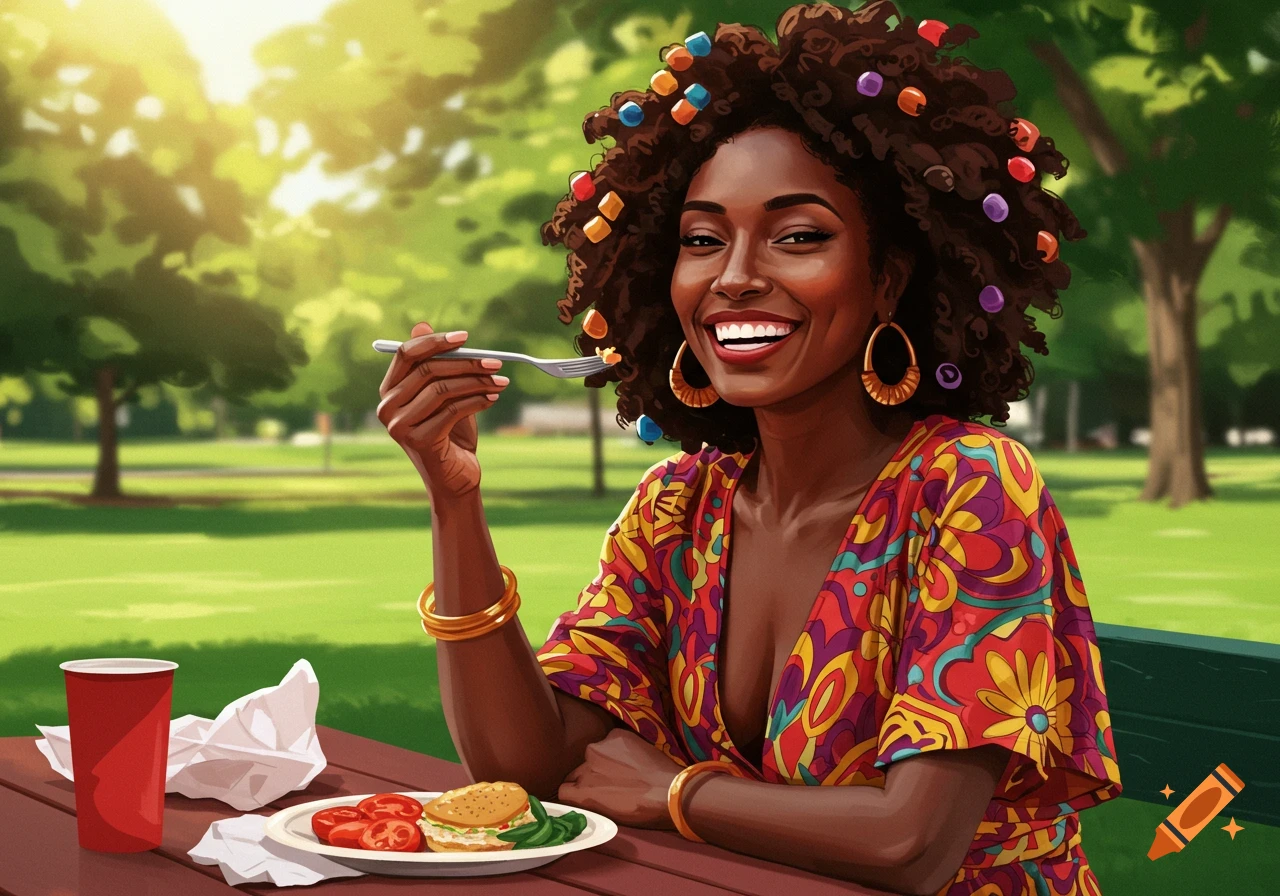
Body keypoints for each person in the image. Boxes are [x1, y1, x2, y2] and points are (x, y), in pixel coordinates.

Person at [376, 2, 1122, 893]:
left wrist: (677, 793)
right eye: (701, 240)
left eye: (798, 236)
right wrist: (455, 500)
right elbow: (529, 772)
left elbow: (912, 846)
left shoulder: (967, 486)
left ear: (888, 278)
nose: (733, 277)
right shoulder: (680, 506)